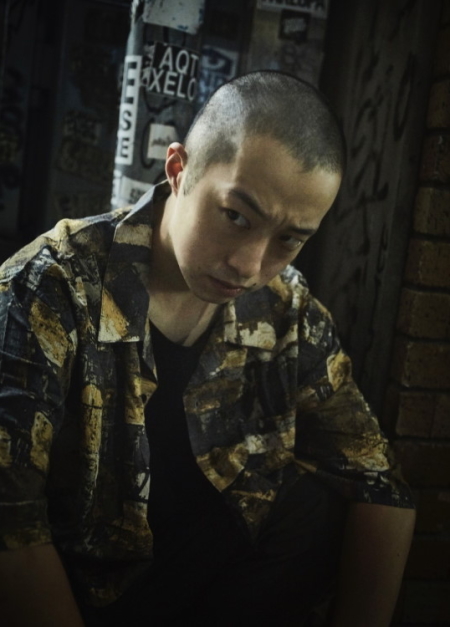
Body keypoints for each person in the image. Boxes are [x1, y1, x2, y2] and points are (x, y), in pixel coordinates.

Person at [0, 71, 415, 626]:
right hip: (83, 596)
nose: (250, 265)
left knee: (319, 506)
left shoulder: (285, 309)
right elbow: (12, 526)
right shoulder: (48, 289)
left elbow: (380, 483)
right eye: (236, 217)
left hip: (207, 590)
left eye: (289, 239)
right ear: (179, 170)